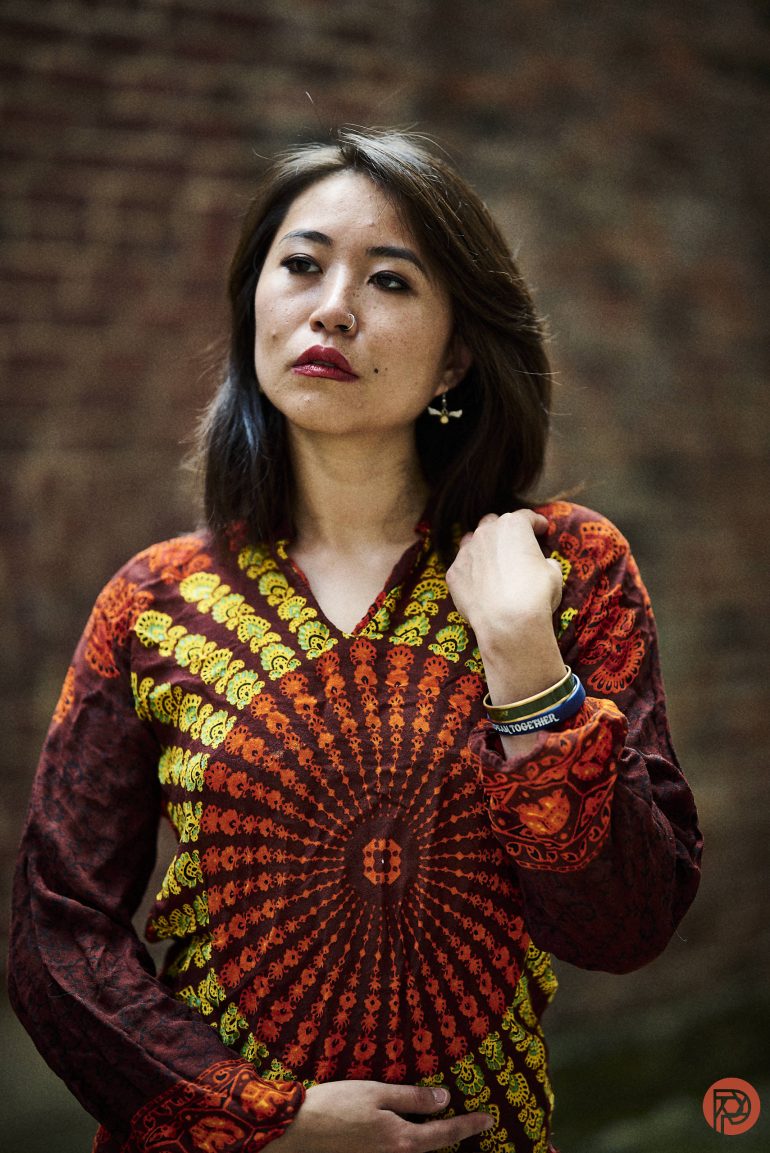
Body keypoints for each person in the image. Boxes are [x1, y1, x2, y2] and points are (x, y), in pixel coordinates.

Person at [9, 127, 702, 1153]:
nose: (329, 306)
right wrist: (264, 1119)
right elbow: (54, 937)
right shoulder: (156, 602)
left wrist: (525, 669)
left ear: (456, 351)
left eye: (388, 281)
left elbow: (624, 925)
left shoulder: (563, 570)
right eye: (300, 265)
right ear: (255, 301)